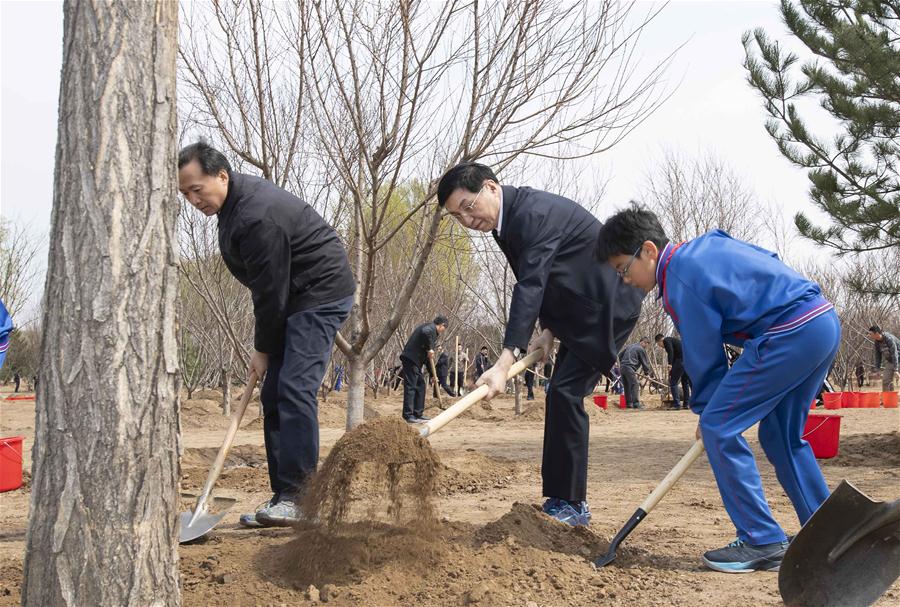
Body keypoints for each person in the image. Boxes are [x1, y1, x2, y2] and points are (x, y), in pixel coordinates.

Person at [596, 206, 840, 573]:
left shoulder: (679, 277)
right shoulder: (705, 248)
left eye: (623, 269)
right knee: (781, 437)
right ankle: (829, 533)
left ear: (648, 250)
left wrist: (709, 411)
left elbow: (703, 351)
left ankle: (761, 539)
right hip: (820, 322)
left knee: (718, 427)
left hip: (787, 333)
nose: (626, 280)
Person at [438, 163, 642, 526]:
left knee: (566, 393)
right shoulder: (508, 221)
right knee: (559, 395)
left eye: (468, 207)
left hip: (606, 309)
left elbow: (530, 286)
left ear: (491, 187)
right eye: (457, 216)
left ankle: (572, 505)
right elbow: (549, 275)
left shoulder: (532, 214)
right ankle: (560, 499)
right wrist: (547, 330)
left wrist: (504, 362)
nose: (467, 220)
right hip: (578, 310)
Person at [178, 141, 355, 528]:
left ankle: (303, 499)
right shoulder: (233, 205)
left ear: (221, 176)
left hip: (319, 292)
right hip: (295, 297)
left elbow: (269, 292)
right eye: (185, 193)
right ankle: (284, 498)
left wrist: (263, 349)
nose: (193, 200)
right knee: (274, 392)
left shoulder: (255, 216)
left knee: (293, 388)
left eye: (197, 189)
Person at [400, 317, 448, 422]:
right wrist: (430, 348)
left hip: (416, 362)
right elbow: (424, 332)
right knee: (411, 386)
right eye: (444, 328)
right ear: (441, 325)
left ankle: (418, 413)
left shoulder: (432, 336)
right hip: (410, 359)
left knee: (421, 385)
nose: (444, 331)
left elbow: (427, 359)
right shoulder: (429, 328)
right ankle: (408, 415)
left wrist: (432, 375)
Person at [655, 333, 691, 410]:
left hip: (680, 361)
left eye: (659, 345)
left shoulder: (666, 340)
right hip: (687, 361)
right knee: (685, 382)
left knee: (673, 382)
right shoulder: (673, 341)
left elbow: (671, 352)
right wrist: (672, 370)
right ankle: (686, 404)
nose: (661, 347)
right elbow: (674, 354)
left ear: (660, 341)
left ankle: (677, 404)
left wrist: (670, 364)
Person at [619, 339, 653, 409]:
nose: (646, 347)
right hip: (629, 367)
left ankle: (629, 403)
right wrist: (647, 374)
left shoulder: (630, 346)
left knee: (627, 386)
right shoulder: (640, 349)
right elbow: (644, 362)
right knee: (635, 384)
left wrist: (623, 363)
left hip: (622, 367)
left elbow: (619, 356)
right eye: (646, 344)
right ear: (643, 342)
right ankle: (636, 404)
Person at [868, 325, 899, 392]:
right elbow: (878, 356)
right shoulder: (877, 342)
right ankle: (888, 399)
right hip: (891, 361)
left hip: (897, 359)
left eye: (871, 334)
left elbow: (894, 353)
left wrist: (896, 370)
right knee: (886, 381)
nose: (869, 335)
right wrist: (877, 369)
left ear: (876, 333)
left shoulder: (889, 339)